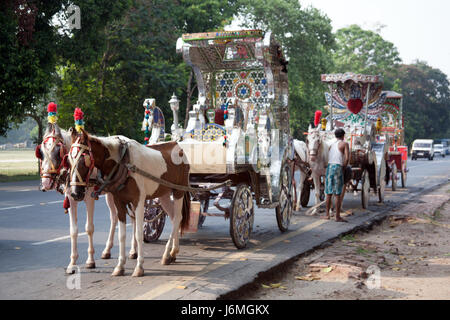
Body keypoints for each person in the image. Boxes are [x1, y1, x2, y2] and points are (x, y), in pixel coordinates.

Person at [322, 128, 350, 222]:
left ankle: (327, 215)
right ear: (343, 136)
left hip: (329, 167)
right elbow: (346, 158)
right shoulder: (344, 144)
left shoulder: (331, 145)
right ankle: (337, 216)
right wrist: (344, 167)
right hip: (338, 167)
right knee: (338, 193)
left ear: (335, 136)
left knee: (328, 193)